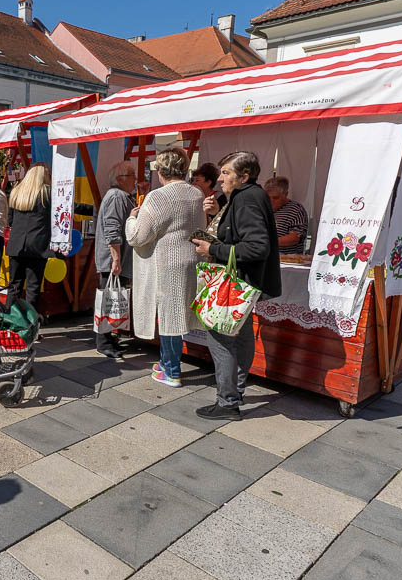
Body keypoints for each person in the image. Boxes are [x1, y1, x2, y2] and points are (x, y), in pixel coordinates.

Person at [192, 151, 281, 419]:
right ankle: (236, 391)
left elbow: (257, 246)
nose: (220, 178)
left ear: (244, 176)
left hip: (237, 283)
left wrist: (213, 250)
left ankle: (228, 401)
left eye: (226, 173)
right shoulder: (248, 196)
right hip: (245, 283)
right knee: (240, 337)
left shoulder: (247, 199)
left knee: (220, 338)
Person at [125, 148, 205, 388]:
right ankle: (166, 362)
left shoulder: (158, 196)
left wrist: (131, 219)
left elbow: (139, 236)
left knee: (169, 317)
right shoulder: (196, 193)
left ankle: (172, 370)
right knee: (178, 313)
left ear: (161, 171)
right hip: (191, 259)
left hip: (167, 262)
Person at [5, 165, 92, 307]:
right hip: (37, 246)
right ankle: (29, 325)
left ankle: (9, 322)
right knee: (33, 288)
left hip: (16, 245)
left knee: (14, 287)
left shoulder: (16, 192)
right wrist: (96, 210)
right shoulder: (49, 193)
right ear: (44, 176)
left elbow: (10, 220)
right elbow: (72, 207)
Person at [94, 165, 138, 358]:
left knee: (112, 299)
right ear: (120, 178)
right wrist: (116, 258)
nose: (135, 179)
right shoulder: (116, 196)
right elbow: (112, 228)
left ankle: (109, 338)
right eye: (132, 175)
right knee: (107, 300)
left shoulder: (120, 196)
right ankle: (103, 342)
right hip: (112, 260)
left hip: (115, 259)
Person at [264, 176, 309, 255]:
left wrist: (268, 242)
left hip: (287, 259)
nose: (271, 201)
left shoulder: (296, 210)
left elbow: (295, 237)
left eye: (275, 198)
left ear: (285, 194)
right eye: (268, 197)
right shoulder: (262, 207)